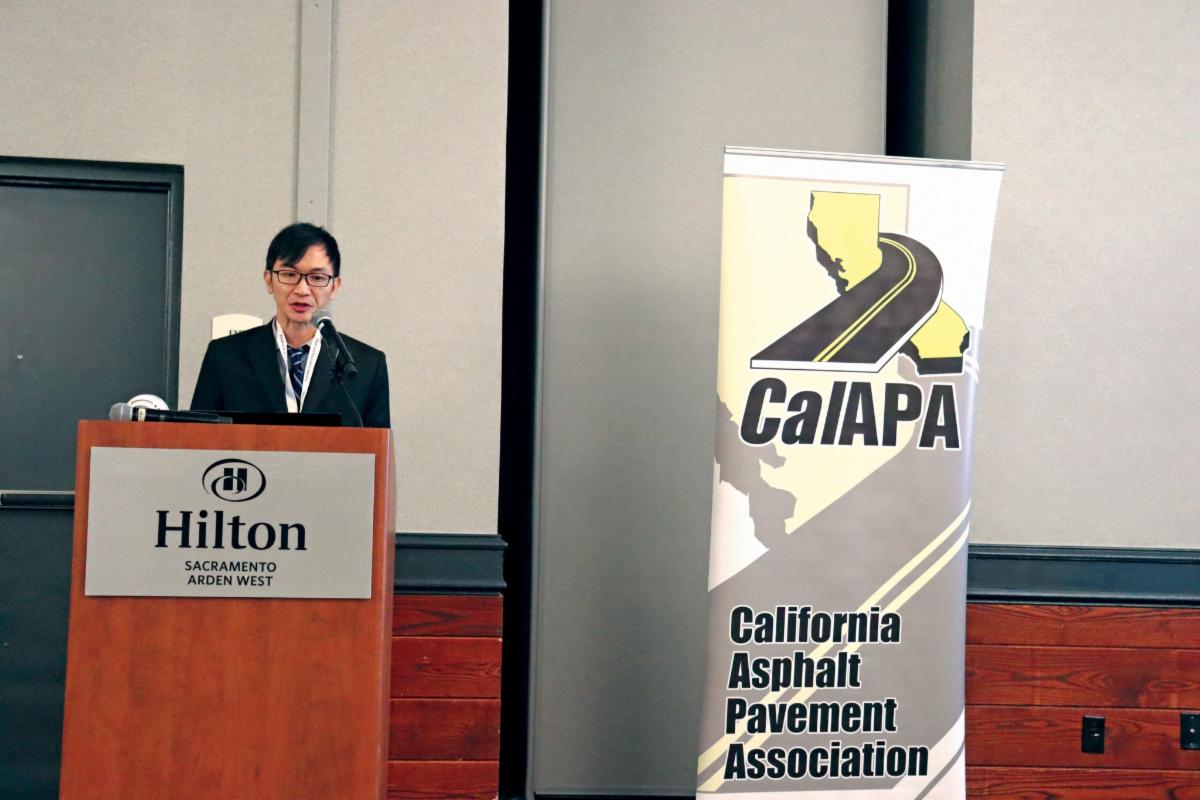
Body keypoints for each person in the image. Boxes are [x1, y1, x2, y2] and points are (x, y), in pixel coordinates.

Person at [190, 223, 390, 427]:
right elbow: (197, 437)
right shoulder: (225, 356)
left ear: (334, 286)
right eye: (289, 274)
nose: (302, 290)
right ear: (269, 280)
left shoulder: (366, 365)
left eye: (317, 277)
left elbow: (379, 444)